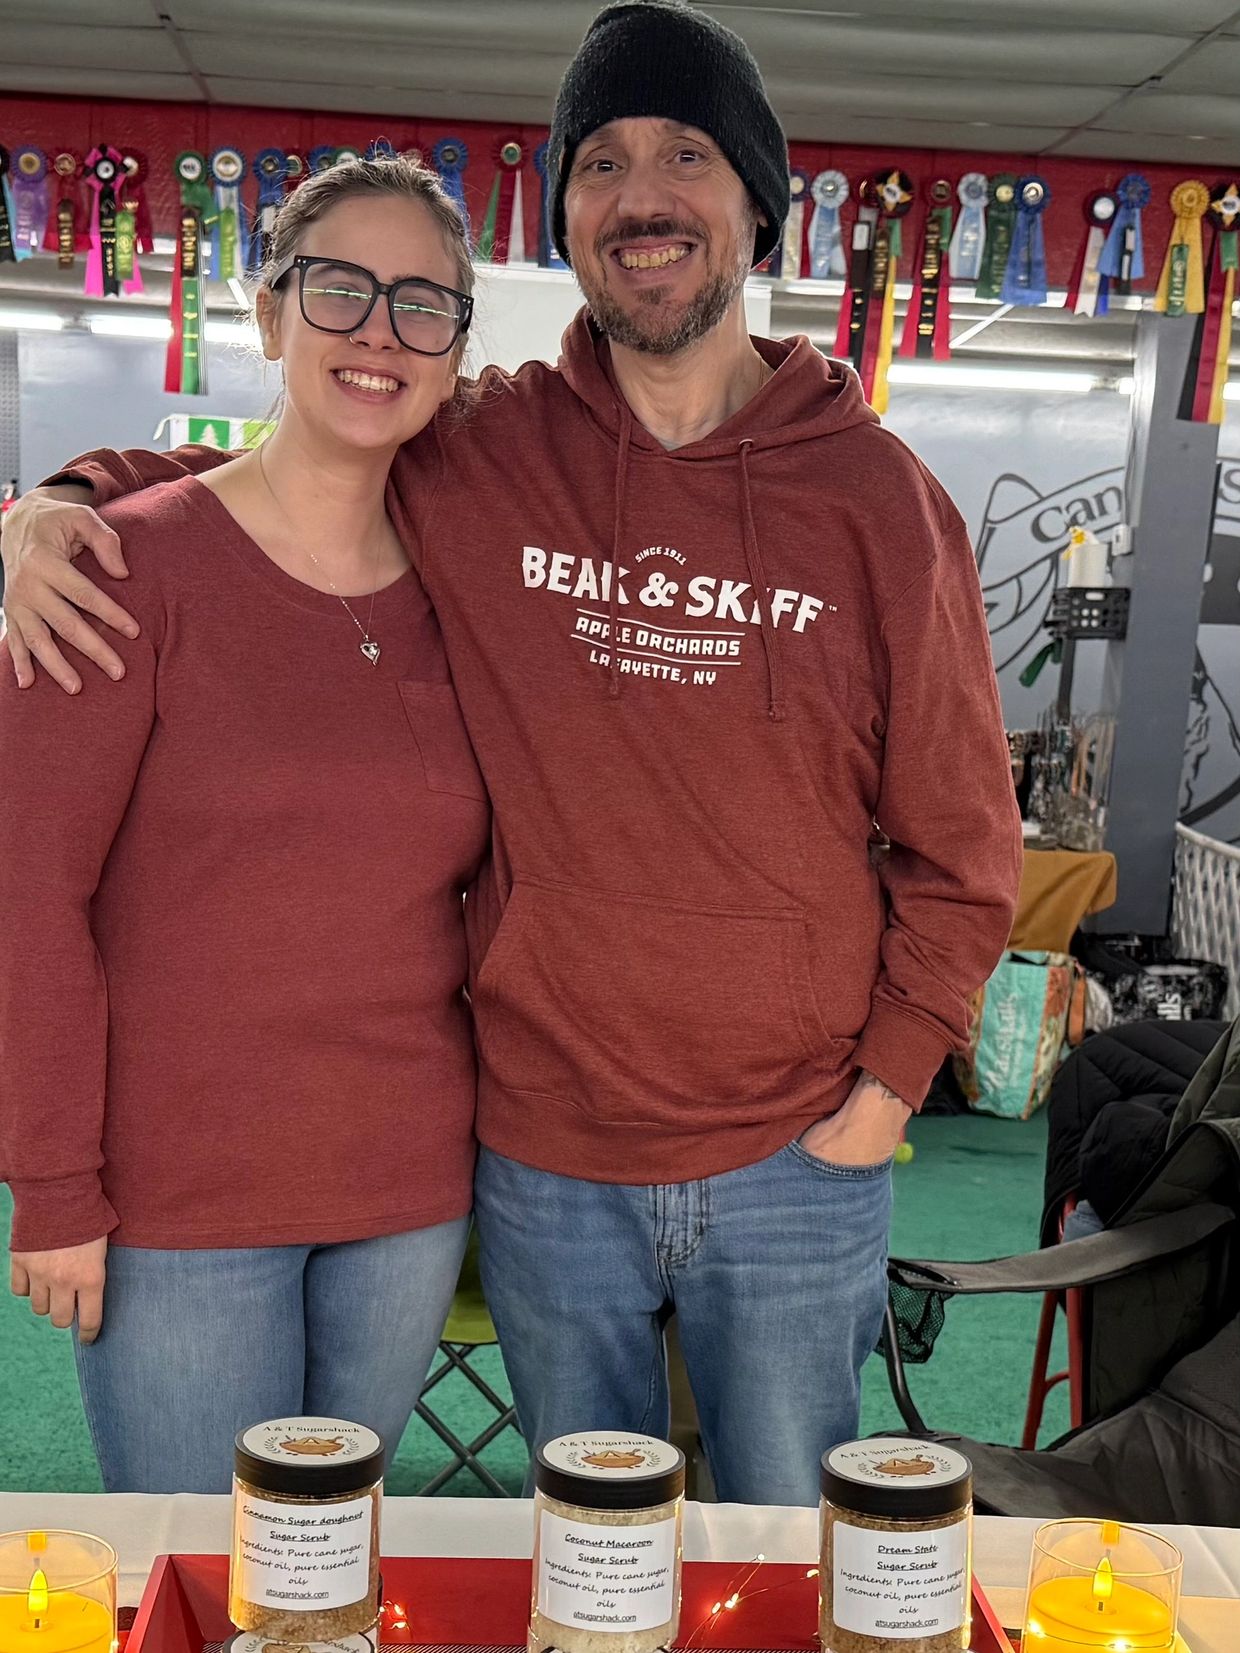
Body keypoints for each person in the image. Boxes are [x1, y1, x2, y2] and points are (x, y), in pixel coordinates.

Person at [1, 0, 1021, 1504]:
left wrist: (885, 1087)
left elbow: (967, 837)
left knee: (794, 1544)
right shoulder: (496, 448)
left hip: (795, 1156)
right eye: (600, 163)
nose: (644, 194)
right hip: (545, 1154)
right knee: (584, 1554)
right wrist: (62, 495)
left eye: (687, 154)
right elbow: (300, 449)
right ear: (566, 221)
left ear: (758, 205)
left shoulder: (878, 501)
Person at [0, 155, 489, 1492]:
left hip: (405, 1189)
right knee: (206, 1588)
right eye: (338, 289)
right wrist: (50, 1183)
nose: (378, 331)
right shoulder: (118, 568)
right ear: (268, 315)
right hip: (180, 1201)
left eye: (421, 303)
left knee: (331, 1573)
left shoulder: (468, 591)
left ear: (456, 352)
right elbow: (28, 898)